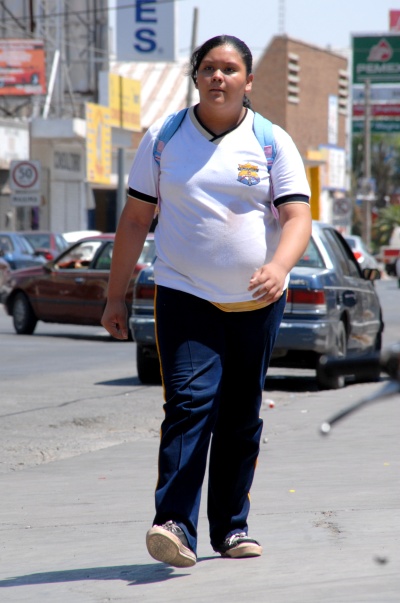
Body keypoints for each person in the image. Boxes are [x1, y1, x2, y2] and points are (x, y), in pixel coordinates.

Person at [101, 34, 312, 568]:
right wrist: (114, 296)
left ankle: (232, 528)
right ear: (195, 77)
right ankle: (174, 524)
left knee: (241, 416)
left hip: (256, 303)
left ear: (248, 80)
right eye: (209, 68)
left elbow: (296, 217)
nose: (219, 77)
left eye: (230, 69)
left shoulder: (271, 141)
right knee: (189, 404)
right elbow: (135, 219)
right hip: (184, 293)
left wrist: (279, 267)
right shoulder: (164, 137)